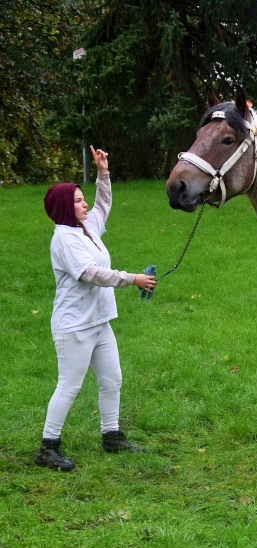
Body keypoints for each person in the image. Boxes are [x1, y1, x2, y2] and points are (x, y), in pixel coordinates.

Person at [36, 146, 157, 471]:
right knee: (69, 386)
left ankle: (111, 436)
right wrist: (131, 278)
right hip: (74, 325)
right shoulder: (64, 239)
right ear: (65, 207)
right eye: (77, 200)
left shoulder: (86, 228)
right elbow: (91, 273)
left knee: (112, 379)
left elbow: (102, 205)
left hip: (99, 321)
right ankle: (48, 447)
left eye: (82, 198)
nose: (85, 203)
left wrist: (103, 173)